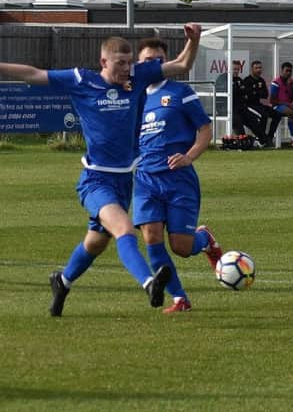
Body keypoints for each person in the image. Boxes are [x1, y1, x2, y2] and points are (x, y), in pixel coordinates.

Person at [0, 23, 202, 317]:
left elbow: (183, 63)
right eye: (120, 63)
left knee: (94, 243)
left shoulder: (138, 76)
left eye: (130, 61)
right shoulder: (81, 80)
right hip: (95, 180)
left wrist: (193, 40)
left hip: (123, 182)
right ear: (103, 62)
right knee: (124, 228)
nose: (127, 68)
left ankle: (62, 282)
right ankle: (149, 284)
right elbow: (33, 73)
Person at [134, 38, 223, 313]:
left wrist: (190, 156)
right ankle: (179, 299)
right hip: (145, 179)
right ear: (139, 64)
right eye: (148, 60)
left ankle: (204, 239)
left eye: (158, 59)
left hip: (178, 179)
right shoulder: (133, 98)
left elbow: (206, 131)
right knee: (151, 236)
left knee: (182, 247)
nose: (154, 64)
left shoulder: (180, 92)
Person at [269, 61, 293, 147]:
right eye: (286, 71)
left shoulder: (291, 82)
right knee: (290, 112)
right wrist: (286, 104)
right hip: (277, 106)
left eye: (290, 71)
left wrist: (291, 88)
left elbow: (291, 99)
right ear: (282, 71)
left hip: (288, 105)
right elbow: (272, 100)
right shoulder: (275, 82)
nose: (288, 73)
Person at [243, 60, 277, 147]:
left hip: (258, 104)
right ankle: (262, 139)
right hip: (249, 105)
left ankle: (269, 136)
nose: (259, 70)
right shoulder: (247, 81)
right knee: (263, 115)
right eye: (256, 68)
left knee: (277, 114)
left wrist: (255, 92)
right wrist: (257, 93)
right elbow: (247, 96)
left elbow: (265, 95)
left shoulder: (261, 80)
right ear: (252, 69)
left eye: (260, 68)